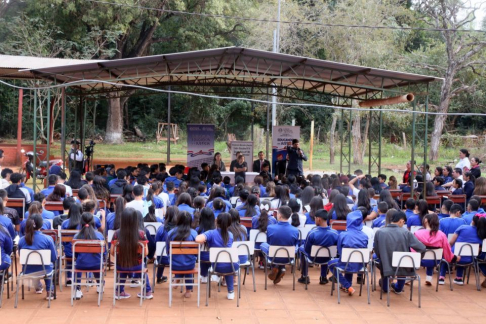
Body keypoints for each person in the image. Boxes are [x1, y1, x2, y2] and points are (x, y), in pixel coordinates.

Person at [374, 210, 426, 294]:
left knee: (384, 265)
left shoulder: (380, 232)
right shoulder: (406, 233)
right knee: (403, 266)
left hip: (386, 266)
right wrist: (414, 261)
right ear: (401, 220)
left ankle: (385, 287)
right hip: (403, 266)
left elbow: (376, 249)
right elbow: (422, 248)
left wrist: (383, 258)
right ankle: (398, 288)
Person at [195, 212, 239, 300]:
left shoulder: (211, 233)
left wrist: (205, 240)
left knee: (224, 264)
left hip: (216, 267)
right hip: (233, 266)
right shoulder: (230, 235)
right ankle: (231, 292)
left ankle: (217, 277)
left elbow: (197, 239)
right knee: (229, 264)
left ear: (216, 221)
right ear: (229, 224)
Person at [111, 208, 153, 299]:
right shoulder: (141, 234)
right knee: (142, 269)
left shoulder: (116, 234)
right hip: (137, 265)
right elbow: (146, 253)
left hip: (121, 265)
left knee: (123, 265)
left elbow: (112, 252)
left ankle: (119, 291)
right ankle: (147, 291)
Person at [328, 210, 369, 295]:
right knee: (348, 260)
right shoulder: (365, 236)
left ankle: (347, 285)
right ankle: (347, 285)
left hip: (346, 263)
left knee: (331, 264)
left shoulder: (343, 235)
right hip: (360, 265)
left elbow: (339, 251)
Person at [18, 213, 57, 300]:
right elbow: (53, 258)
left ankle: (38, 286)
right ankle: (49, 291)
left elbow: (21, 256)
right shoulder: (48, 239)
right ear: (41, 225)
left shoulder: (21, 240)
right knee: (49, 265)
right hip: (45, 270)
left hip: (27, 271)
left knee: (37, 264)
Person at [414, 213, 459, 286]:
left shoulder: (417, 233)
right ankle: (429, 279)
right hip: (435, 261)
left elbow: (412, 248)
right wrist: (455, 257)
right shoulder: (442, 235)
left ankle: (408, 276)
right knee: (431, 254)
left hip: (419, 260)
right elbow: (447, 250)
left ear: (425, 220)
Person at [441, 215, 486, 285]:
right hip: (470, 260)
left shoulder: (462, 227)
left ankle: (441, 277)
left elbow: (451, 242)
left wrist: (448, 251)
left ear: (472, 221)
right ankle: (459, 278)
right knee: (463, 254)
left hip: (454, 257)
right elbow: (478, 250)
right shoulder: (481, 234)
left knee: (448, 255)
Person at [259, 206, 299, 285]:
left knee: (263, 245)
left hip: (273, 256)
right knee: (290, 247)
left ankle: (275, 266)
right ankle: (282, 268)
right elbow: (294, 244)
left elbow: (269, 242)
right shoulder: (295, 230)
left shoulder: (270, 227)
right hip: (289, 257)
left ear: (279, 215)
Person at [298, 209, 339, 285]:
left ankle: (304, 276)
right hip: (328, 258)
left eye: (315, 218)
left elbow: (307, 249)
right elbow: (337, 249)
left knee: (301, 248)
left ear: (318, 219)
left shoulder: (312, 233)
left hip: (313, 258)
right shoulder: (335, 233)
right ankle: (323, 277)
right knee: (327, 252)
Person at [72, 212, 107, 299]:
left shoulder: (76, 236)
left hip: (81, 265)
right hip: (97, 265)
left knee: (78, 263)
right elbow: (104, 252)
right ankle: (100, 285)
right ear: (93, 222)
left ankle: (77, 290)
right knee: (97, 261)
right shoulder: (99, 236)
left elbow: (75, 254)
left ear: (81, 222)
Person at [166, 211, 198, 298]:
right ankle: (188, 291)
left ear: (178, 220)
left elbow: (167, 250)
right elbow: (197, 251)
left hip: (174, 265)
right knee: (188, 262)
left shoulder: (171, 233)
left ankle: (177, 279)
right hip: (189, 265)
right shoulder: (194, 233)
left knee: (179, 260)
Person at [155, 206, 179, 283]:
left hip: (162, 258)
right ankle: (176, 277)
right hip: (176, 259)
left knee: (161, 253)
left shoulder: (161, 228)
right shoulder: (179, 230)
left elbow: (156, 242)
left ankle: (159, 277)